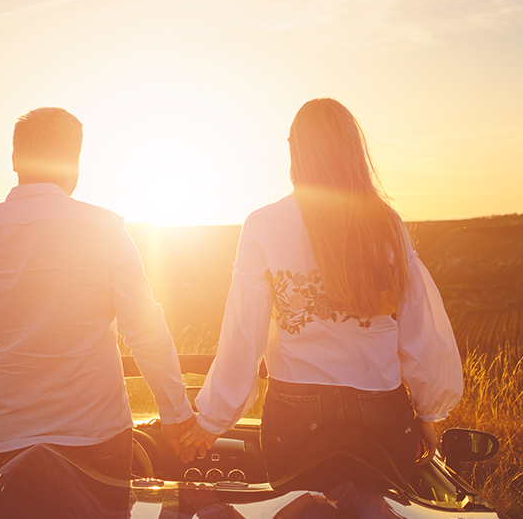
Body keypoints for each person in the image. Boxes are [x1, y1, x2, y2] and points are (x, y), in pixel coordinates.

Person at [178, 98, 463, 484]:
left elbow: (244, 336)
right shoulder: (387, 223)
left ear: (296, 150)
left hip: (296, 405)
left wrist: (212, 420)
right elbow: (421, 328)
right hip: (379, 405)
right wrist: (429, 414)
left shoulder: (263, 224)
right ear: (351, 150)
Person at [0, 107, 196, 482]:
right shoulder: (106, 230)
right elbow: (145, 332)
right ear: (75, 163)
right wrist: (176, 414)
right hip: (96, 438)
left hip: (5, 441)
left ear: (15, 160)